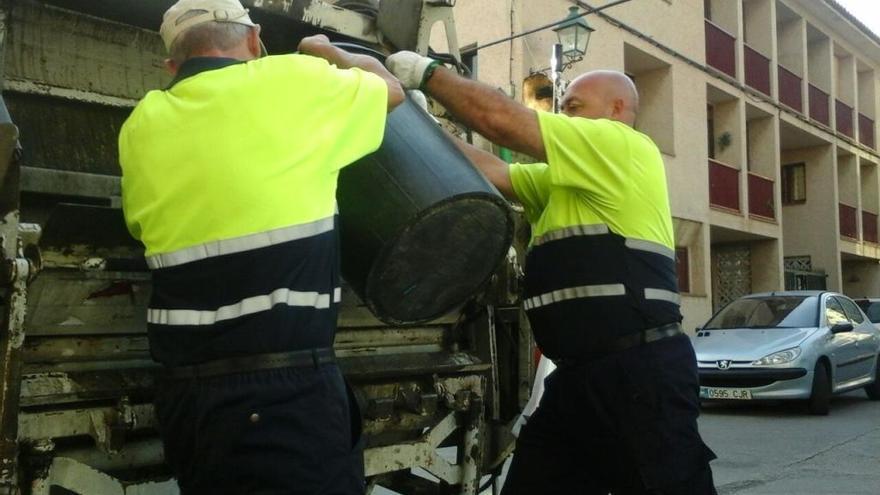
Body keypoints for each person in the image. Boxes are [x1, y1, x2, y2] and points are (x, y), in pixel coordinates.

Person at [385, 53, 717, 494]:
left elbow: (503, 122)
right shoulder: (561, 181)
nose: (564, 114)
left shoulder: (623, 145)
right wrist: (418, 124)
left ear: (617, 109)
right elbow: (492, 169)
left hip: (638, 375)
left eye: (575, 106)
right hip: (578, 377)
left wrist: (426, 75)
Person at [118, 0, 404, 492]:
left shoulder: (140, 124)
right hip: (281, 395)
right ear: (254, 41)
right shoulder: (291, 80)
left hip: (186, 399)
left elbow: (141, 228)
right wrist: (325, 49)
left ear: (171, 66)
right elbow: (391, 90)